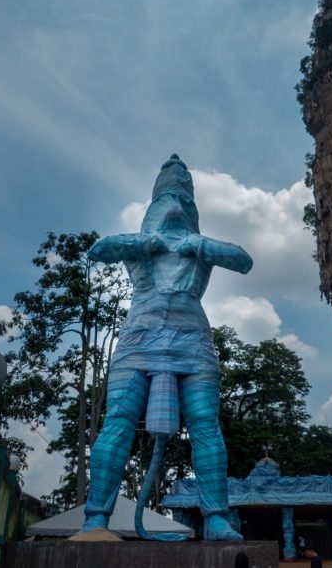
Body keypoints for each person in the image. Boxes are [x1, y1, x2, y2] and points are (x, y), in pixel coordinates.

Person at [81, 154, 253, 540]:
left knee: (206, 424)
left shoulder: (201, 246)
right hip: (139, 339)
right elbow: (99, 249)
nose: (175, 205)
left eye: (183, 197)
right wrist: (146, 242)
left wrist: (200, 246)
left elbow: (244, 261)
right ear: (152, 208)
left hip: (192, 341)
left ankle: (216, 518)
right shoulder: (140, 246)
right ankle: (96, 517)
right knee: (118, 422)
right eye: (167, 197)